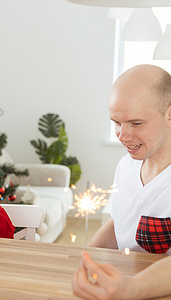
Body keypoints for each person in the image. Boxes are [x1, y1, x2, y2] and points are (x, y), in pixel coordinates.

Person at [72, 64, 171, 299]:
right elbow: (122, 222)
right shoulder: (126, 166)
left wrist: (132, 289)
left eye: (136, 123)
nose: (123, 137)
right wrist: (87, 259)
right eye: (116, 122)